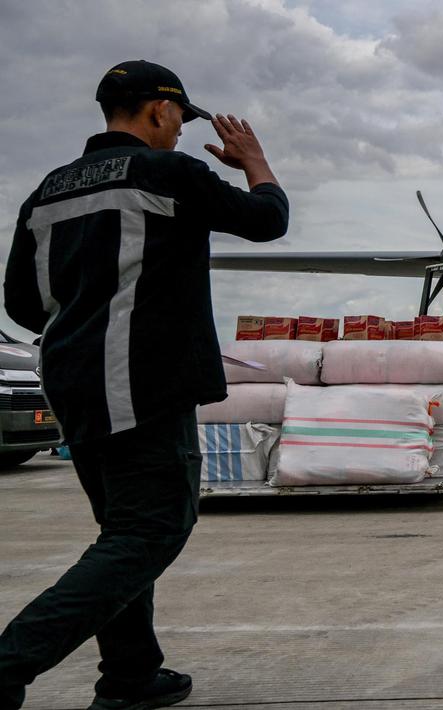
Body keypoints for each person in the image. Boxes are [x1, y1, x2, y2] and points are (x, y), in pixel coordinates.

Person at [0, 60, 289, 710]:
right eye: (180, 118)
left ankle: (130, 676)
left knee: (122, 532)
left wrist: (87, 319)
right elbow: (267, 219)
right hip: (141, 381)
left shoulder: (46, 192)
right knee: (152, 531)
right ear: (160, 109)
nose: (181, 130)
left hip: (73, 383)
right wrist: (255, 162)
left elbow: (21, 303)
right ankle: (8, 663)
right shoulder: (166, 173)